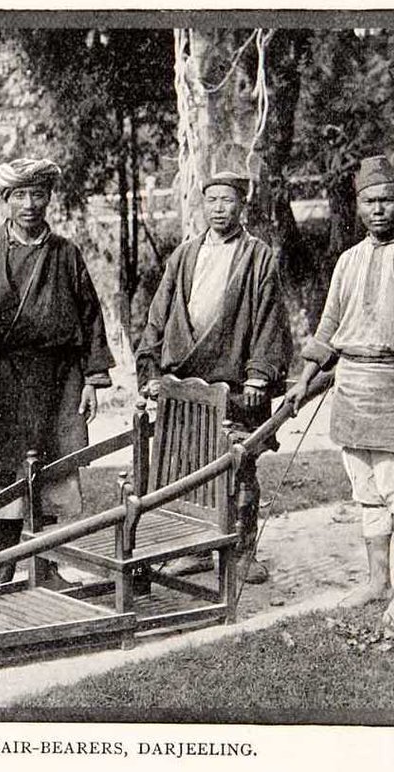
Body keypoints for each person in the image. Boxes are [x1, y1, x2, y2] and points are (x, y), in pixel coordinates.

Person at [284, 155, 394, 626]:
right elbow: (328, 329)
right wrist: (303, 381)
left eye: (387, 200)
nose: (378, 209)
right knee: (367, 497)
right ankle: (376, 582)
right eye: (369, 201)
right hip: (353, 393)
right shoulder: (347, 261)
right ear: (358, 206)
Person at [0, 157, 115, 588]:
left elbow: (90, 316)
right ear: (6, 200)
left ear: (48, 199)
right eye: (20, 195)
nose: (29, 204)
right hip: (1, 383)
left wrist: (92, 381)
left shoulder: (66, 254)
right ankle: (0, 572)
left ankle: (47, 570)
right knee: (3, 475)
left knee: (54, 471)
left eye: (37, 194)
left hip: (58, 380)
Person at [135, 170, 293, 585]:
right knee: (188, 469)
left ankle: (242, 551)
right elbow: (158, 316)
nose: (219, 208)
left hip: (236, 386)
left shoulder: (257, 257)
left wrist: (260, 376)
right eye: (212, 201)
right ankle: (195, 549)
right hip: (186, 386)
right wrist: (151, 370)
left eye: (227, 200)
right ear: (201, 205)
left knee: (238, 468)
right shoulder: (185, 255)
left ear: (242, 204)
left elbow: (270, 320)